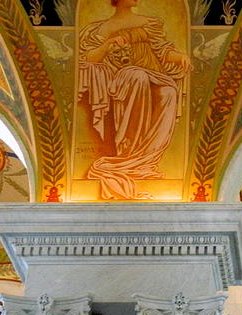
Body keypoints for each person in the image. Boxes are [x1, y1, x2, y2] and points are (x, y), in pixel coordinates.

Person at [78, 0, 190, 199]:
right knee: (135, 74)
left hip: (152, 76)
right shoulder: (100, 28)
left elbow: (162, 51)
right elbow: (90, 58)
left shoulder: (149, 23)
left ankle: (145, 158)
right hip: (119, 78)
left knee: (168, 92)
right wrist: (108, 43)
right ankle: (128, 152)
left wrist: (180, 56)